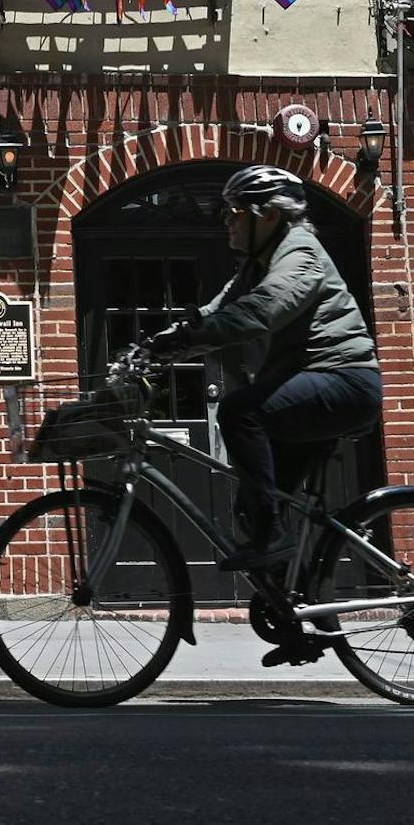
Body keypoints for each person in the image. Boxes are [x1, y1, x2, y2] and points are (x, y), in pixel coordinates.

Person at [148, 164, 381, 573]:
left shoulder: (300, 251)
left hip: (344, 379)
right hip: (310, 382)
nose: (226, 222)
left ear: (268, 215)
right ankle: (302, 604)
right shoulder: (258, 263)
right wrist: (158, 343)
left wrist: (190, 339)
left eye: (234, 212)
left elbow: (263, 309)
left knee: (239, 411)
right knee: (252, 508)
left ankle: (273, 538)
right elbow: (216, 310)